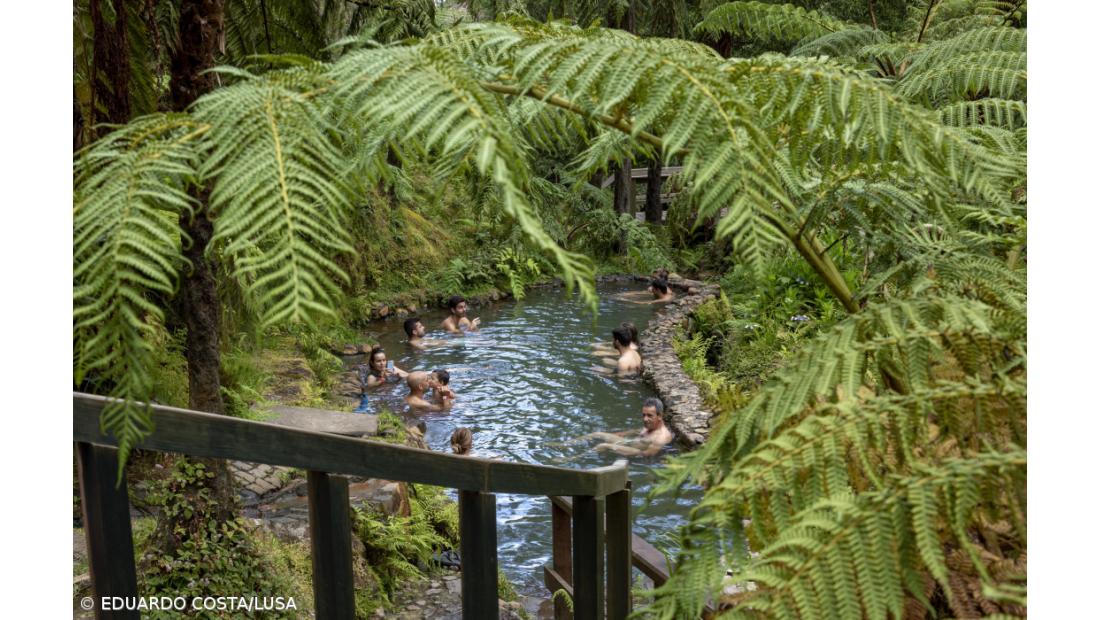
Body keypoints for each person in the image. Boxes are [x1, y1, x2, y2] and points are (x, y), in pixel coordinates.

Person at [585, 398, 674, 457]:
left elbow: (645, 455)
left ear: (660, 416)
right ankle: (570, 443)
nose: (645, 419)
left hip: (635, 450)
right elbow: (636, 431)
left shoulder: (661, 437)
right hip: (628, 442)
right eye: (644, 415)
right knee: (597, 434)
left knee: (602, 446)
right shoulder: (651, 425)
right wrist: (617, 435)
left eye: (649, 415)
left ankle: (575, 459)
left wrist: (615, 448)